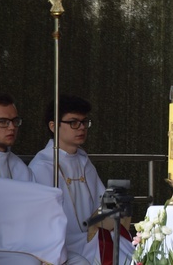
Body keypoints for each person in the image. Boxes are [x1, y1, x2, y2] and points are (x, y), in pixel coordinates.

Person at [29, 94, 133, 265]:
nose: (81, 128)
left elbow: (100, 205)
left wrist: (117, 204)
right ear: (53, 126)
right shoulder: (42, 166)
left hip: (90, 238)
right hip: (63, 245)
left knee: (124, 244)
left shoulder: (84, 160)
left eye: (84, 122)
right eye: (73, 122)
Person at [0, 125, 69, 264]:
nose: (11, 127)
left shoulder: (18, 165)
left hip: (18, 239)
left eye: (14, 121)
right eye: (3, 121)